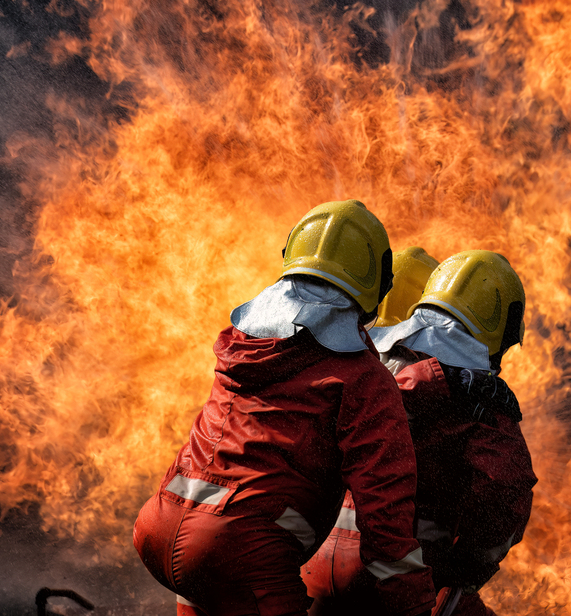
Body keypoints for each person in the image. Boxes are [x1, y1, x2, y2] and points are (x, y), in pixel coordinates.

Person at [133, 200, 437, 616]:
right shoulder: (362, 379)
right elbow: (385, 514)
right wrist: (415, 604)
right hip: (241, 551)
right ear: (375, 283)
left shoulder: (243, 345)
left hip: (160, 523)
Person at [301, 250, 537, 616]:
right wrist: (464, 570)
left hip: (313, 555)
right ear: (501, 330)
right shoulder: (481, 403)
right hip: (400, 574)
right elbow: (505, 495)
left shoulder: (363, 356)